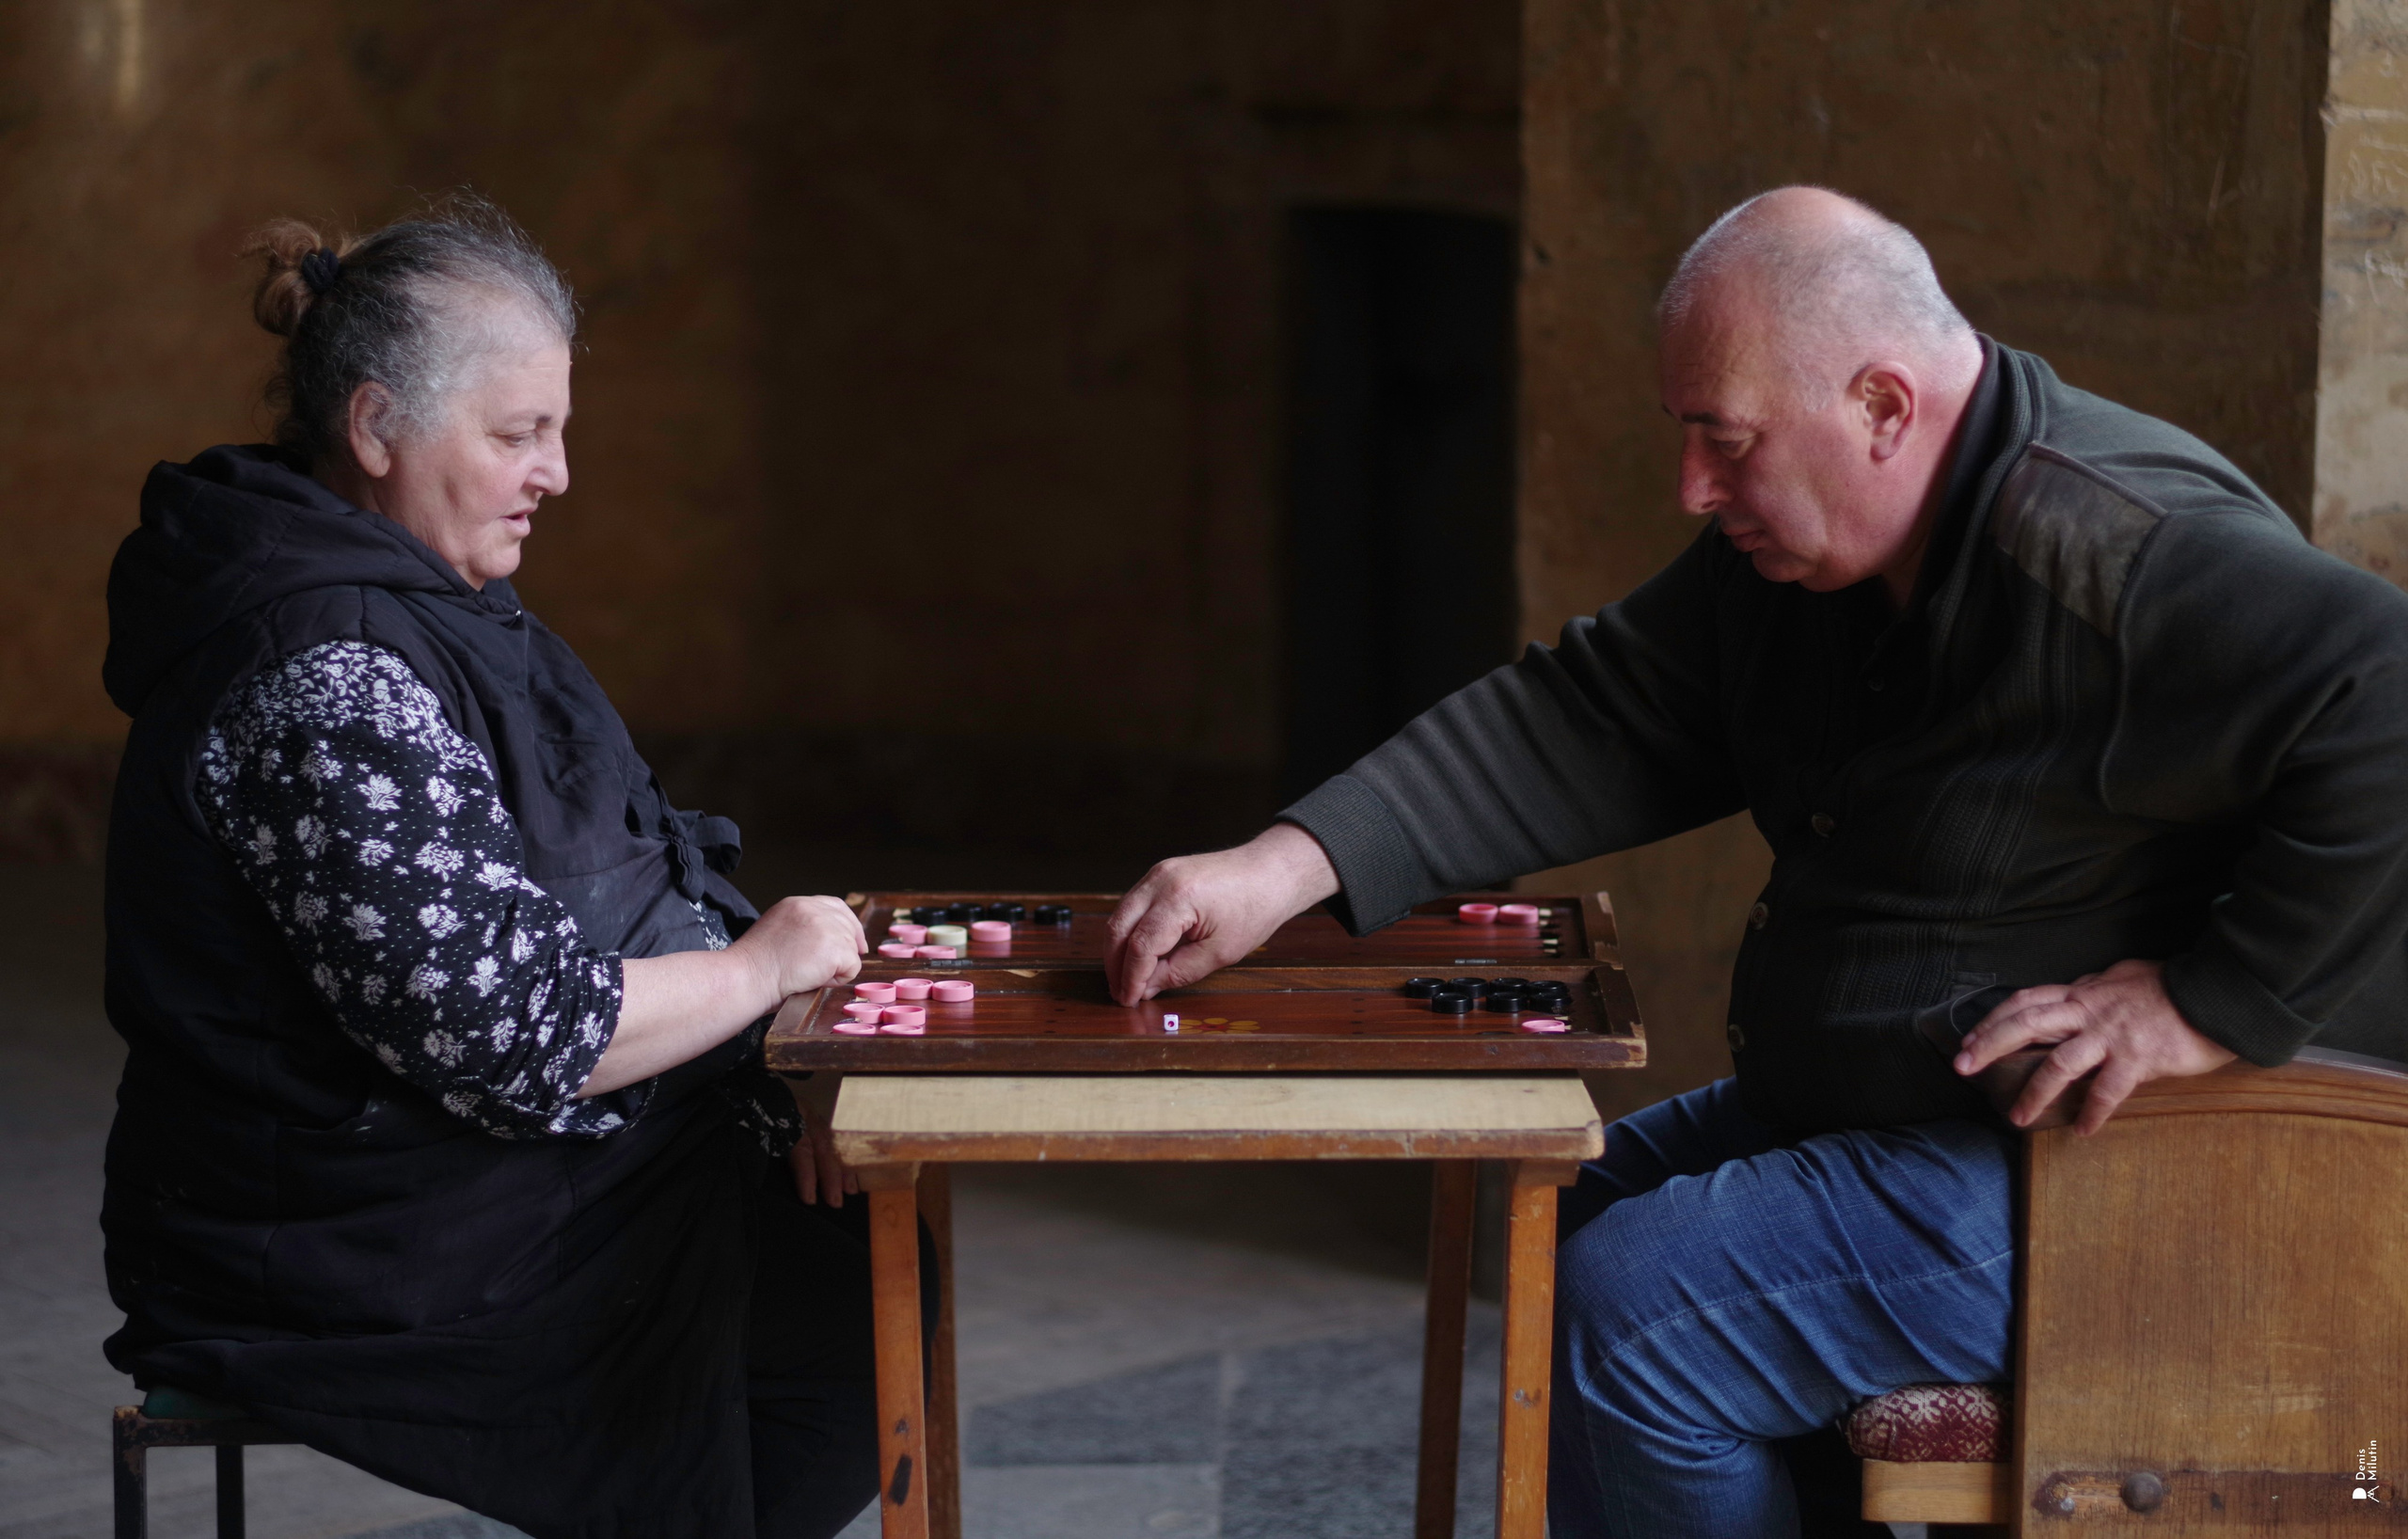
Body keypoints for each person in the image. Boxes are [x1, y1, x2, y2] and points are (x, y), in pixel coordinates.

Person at [1104, 186, 2408, 1536]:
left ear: (1883, 408)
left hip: (2175, 1170)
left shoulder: (2111, 544)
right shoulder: (1805, 559)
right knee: (1566, 1216)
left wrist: (2207, 1005)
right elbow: (1595, 712)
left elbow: (2388, 690)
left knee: (1635, 1317)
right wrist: (1284, 866)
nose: (1692, 487)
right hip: (1940, 1115)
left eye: (1725, 441)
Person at [102, 196, 886, 1539]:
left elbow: (621, 880)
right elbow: (517, 1033)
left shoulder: (420, 602)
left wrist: (780, 1065)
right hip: (355, 1248)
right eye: (519, 434)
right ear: (375, 428)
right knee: (831, 1316)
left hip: (461, 1184)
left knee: (855, 1250)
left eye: (557, 431)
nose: (557, 474)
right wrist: (767, 972)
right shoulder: (325, 672)